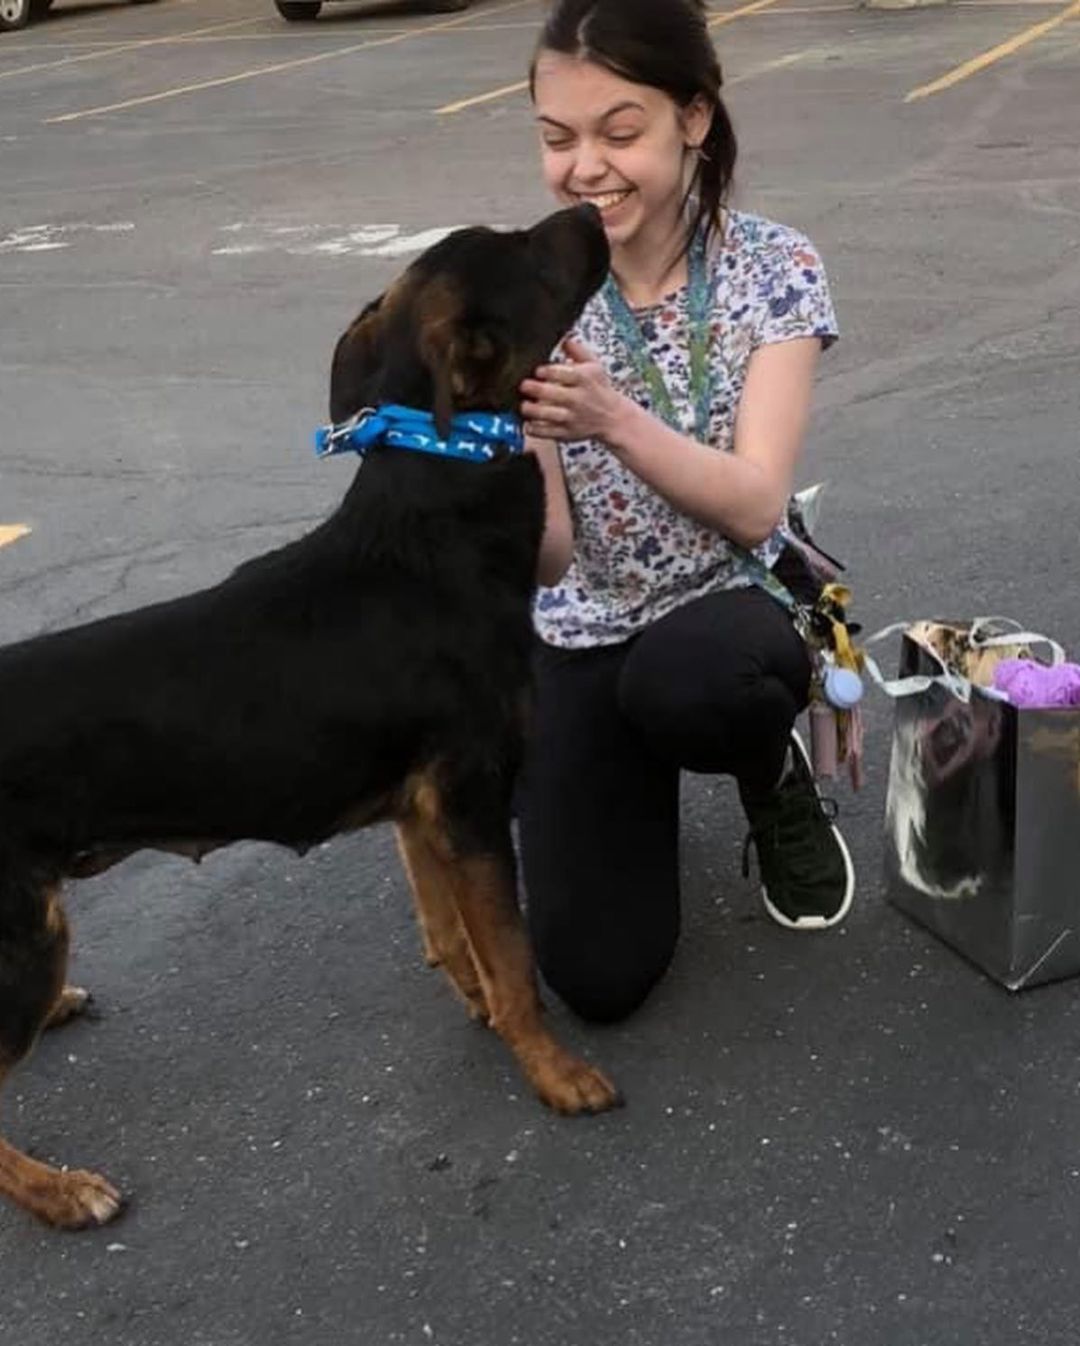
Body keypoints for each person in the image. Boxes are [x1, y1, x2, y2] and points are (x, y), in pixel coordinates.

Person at [515, 0, 853, 1026]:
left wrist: (611, 417)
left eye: (620, 133)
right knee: (598, 977)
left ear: (692, 120)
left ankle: (766, 766)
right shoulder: (526, 290)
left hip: (729, 602)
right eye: (557, 139)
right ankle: (622, 770)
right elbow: (552, 556)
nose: (586, 168)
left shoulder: (773, 267)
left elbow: (755, 505)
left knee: (698, 679)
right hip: (584, 626)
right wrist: (487, 442)